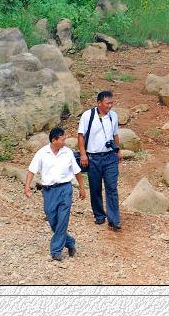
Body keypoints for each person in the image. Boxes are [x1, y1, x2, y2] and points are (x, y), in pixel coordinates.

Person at [24, 127, 86, 260]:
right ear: (54, 140)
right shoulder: (42, 153)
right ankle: (69, 242)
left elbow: (77, 171)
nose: (65, 142)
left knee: (63, 219)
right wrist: (27, 187)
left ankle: (56, 251)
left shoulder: (68, 152)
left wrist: (82, 188)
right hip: (49, 191)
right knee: (53, 219)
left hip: (65, 189)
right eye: (62, 139)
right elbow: (32, 170)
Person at [76, 91, 122, 231]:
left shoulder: (113, 116)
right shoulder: (88, 115)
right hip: (93, 157)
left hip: (110, 157)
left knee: (112, 187)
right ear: (99, 103)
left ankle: (114, 220)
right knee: (95, 188)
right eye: (107, 103)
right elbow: (80, 136)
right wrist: (83, 154)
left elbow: (115, 135)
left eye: (111, 103)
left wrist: (118, 151)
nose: (110, 106)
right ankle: (99, 215)